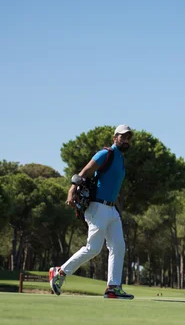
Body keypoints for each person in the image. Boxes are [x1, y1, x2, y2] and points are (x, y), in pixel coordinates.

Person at [49, 124, 134, 299]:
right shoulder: (106, 154)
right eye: (122, 136)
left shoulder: (121, 159)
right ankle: (60, 272)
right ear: (114, 137)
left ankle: (113, 287)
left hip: (111, 209)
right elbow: (84, 172)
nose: (125, 140)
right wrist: (71, 191)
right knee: (93, 248)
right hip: (97, 207)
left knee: (118, 247)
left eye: (128, 138)